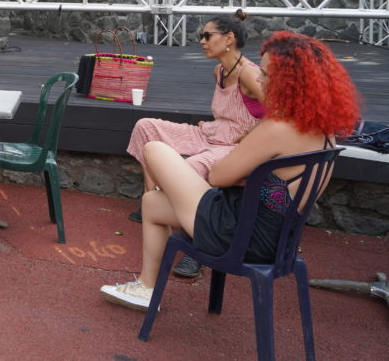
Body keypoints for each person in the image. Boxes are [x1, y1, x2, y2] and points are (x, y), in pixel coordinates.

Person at [101, 31, 360, 311]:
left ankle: (175, 250)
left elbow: (218, 177)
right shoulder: (323, 130)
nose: (259, 80)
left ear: (291, 82)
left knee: (155, 149)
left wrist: (243, 157)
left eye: (266, 74)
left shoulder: (278, 128)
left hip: (241, 237)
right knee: (152, 203)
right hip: (276, 239)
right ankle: (146, 288)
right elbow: (274, 183)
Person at [125, 10, 265, 277]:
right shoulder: (218, 70)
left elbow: (278, 111)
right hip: (209, 134)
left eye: (207, 35)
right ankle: (152, 200)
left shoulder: (249, 73)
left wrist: (251, 134)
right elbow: (226, 112)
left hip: (233, 146)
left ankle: (195, 245)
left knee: (193, 166)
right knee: (146, 127)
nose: (202, 41)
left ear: (229, 38)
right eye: (201, 36)